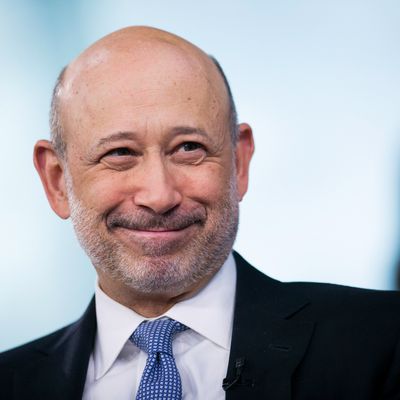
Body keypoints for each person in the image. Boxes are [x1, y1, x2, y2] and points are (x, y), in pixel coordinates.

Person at [1, 26, 400, 400]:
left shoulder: (384, 341)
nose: (160, 196)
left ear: (239, 162)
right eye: (119, 153)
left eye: (189, 148)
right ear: (57, 181)